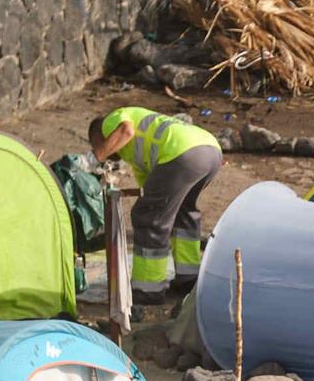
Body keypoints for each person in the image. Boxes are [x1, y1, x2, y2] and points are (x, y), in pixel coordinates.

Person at [88, 106, 222, 302]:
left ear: (100, 136)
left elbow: (126, 131)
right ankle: (188, 278)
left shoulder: (110, 121)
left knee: (149, 217)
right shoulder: (138, 157)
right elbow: (154, 194)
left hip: (183, 154)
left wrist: (94, 158)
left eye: (98, 144)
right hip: (210, 151)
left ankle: (148, 288)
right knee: (183, 211)